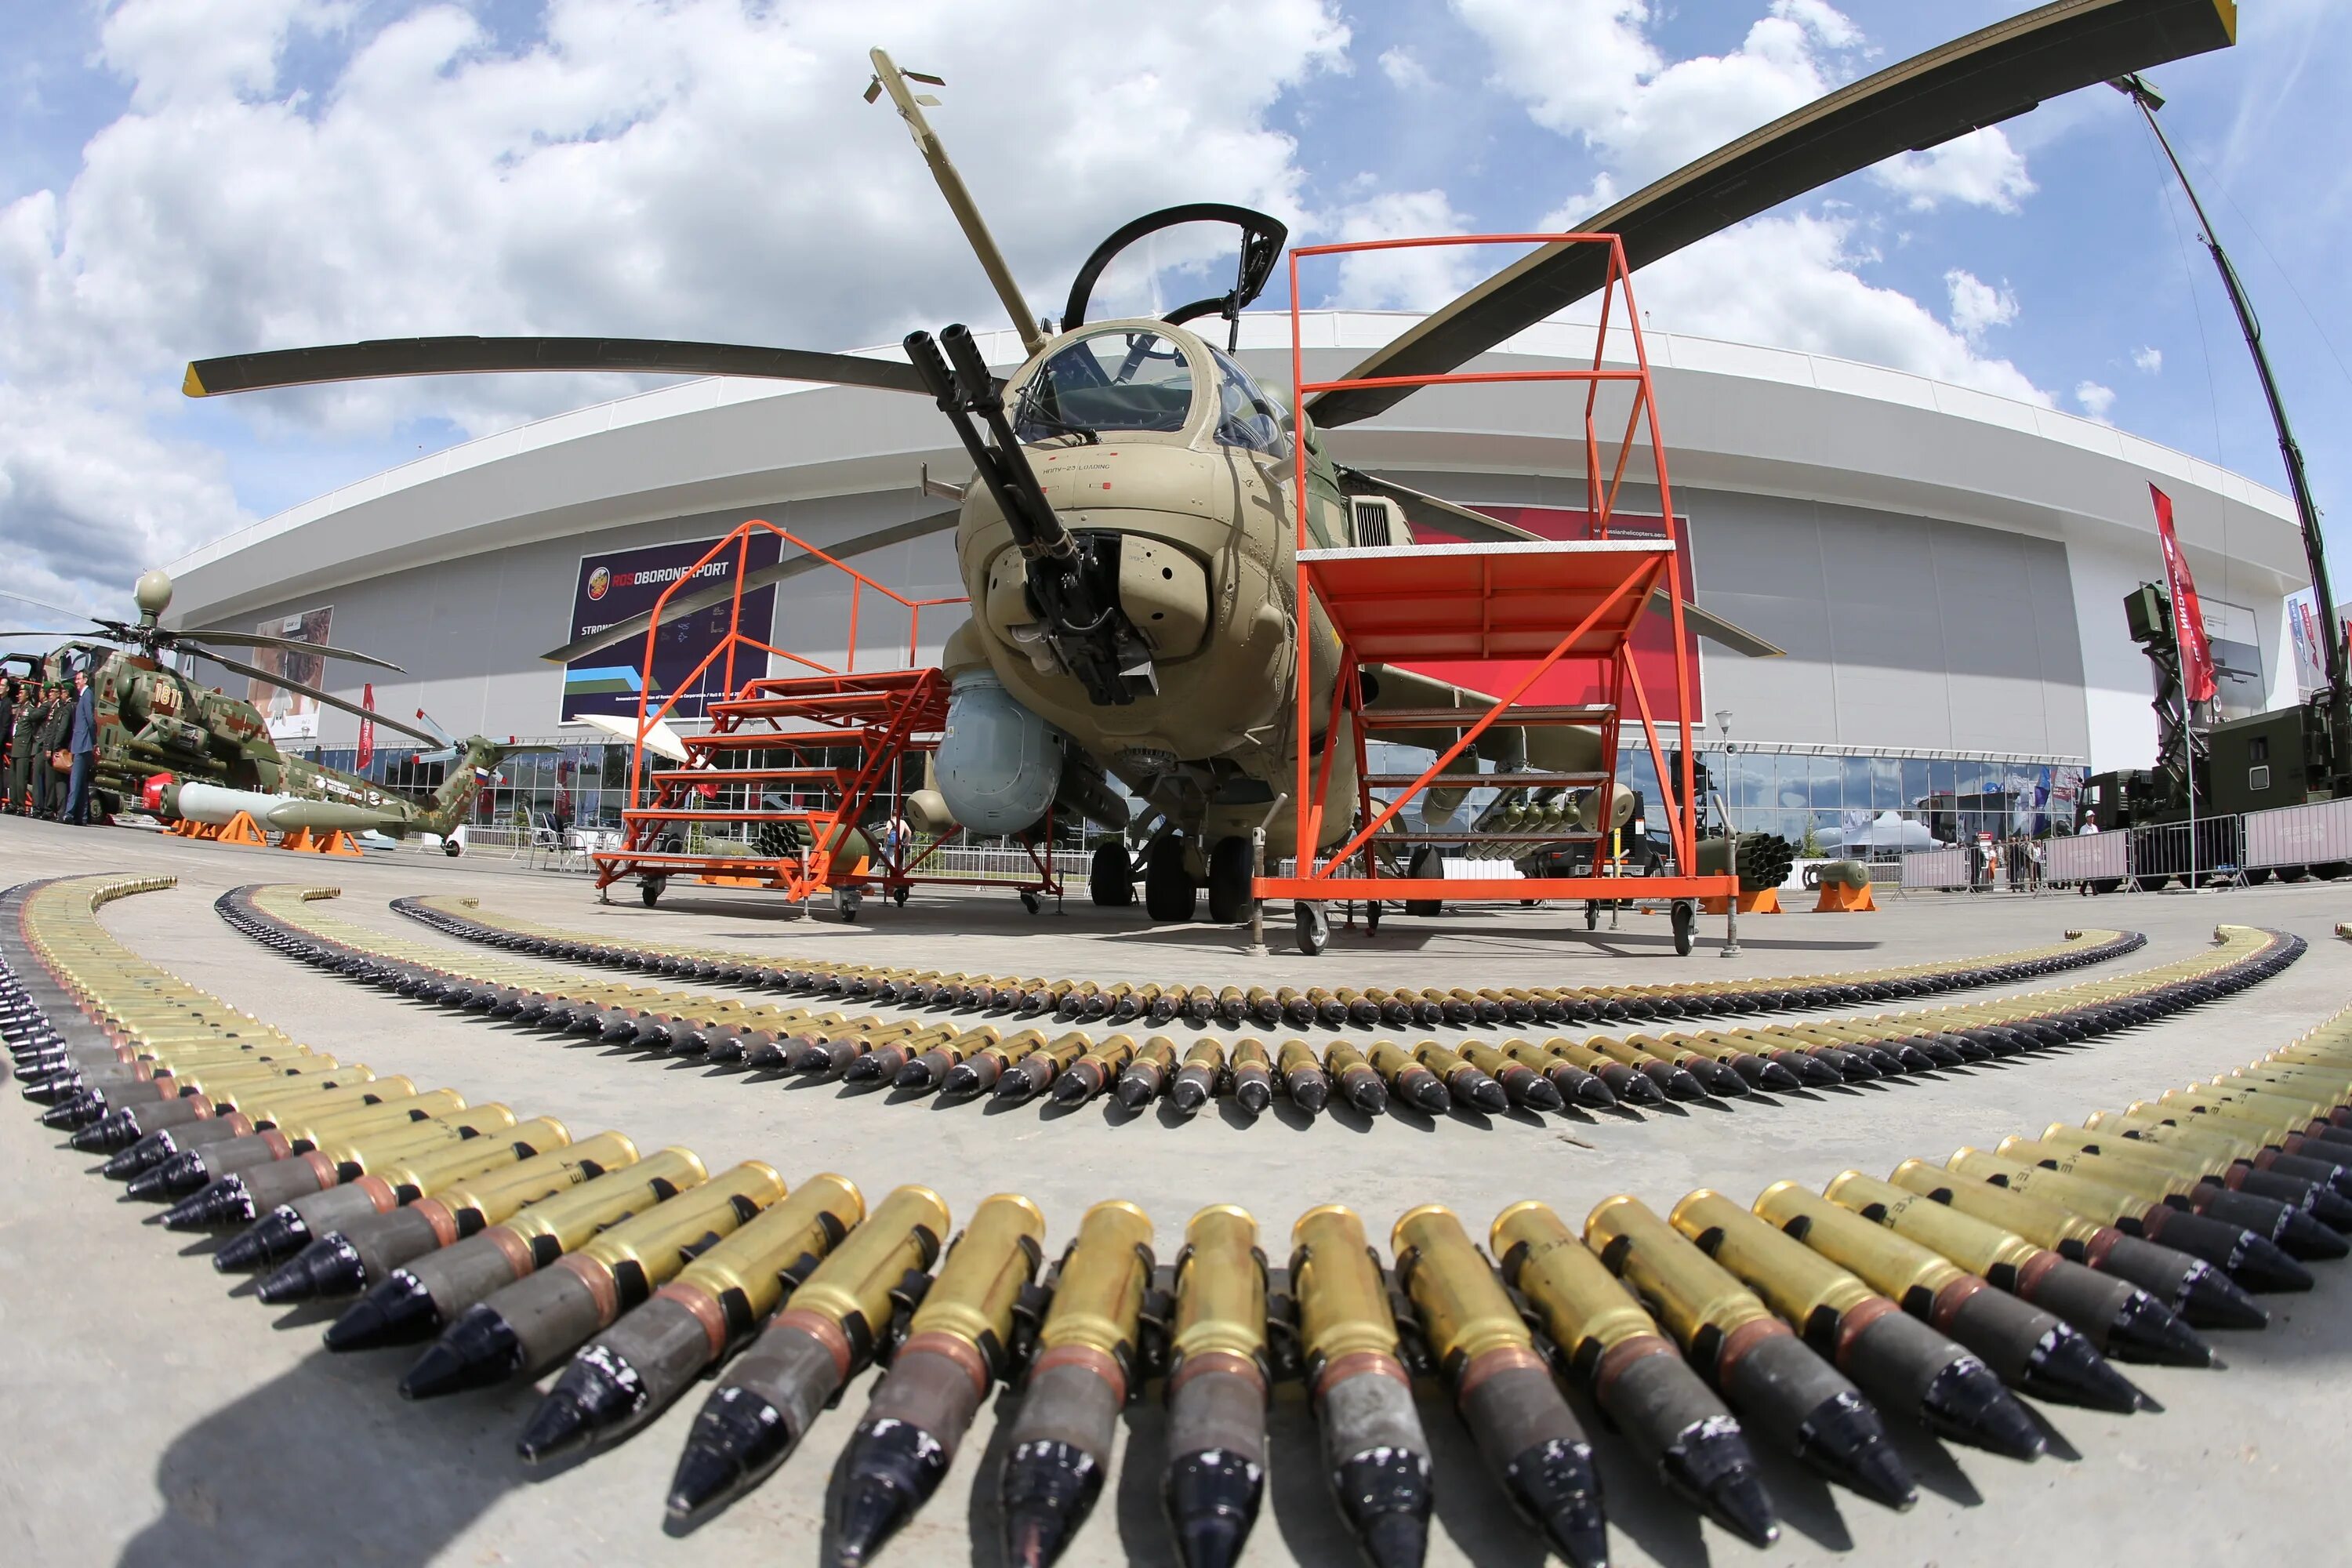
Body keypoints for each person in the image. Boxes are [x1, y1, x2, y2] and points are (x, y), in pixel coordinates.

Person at [64, 667, 97, 826]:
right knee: (82, 783)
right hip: (81, 744)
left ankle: (69, 813)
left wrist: (93, 741)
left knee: (75, 781)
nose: (76, 682)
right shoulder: (84, 696)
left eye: (78, 679)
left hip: (83, 744)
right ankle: (82, 816)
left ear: (85, 680)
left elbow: (90, 720)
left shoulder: (87, 695)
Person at [31, 680, 69, 819]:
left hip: (52, 748)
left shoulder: (59, 707)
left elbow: (56, 730)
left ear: (59, 693)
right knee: (46, 779)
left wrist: (51, 747)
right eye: (50, 691)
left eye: (54, 692)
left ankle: (49, 809)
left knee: (51, 781)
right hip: (46, 745)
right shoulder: (53, 707)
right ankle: (44, 808)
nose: (50, 694)